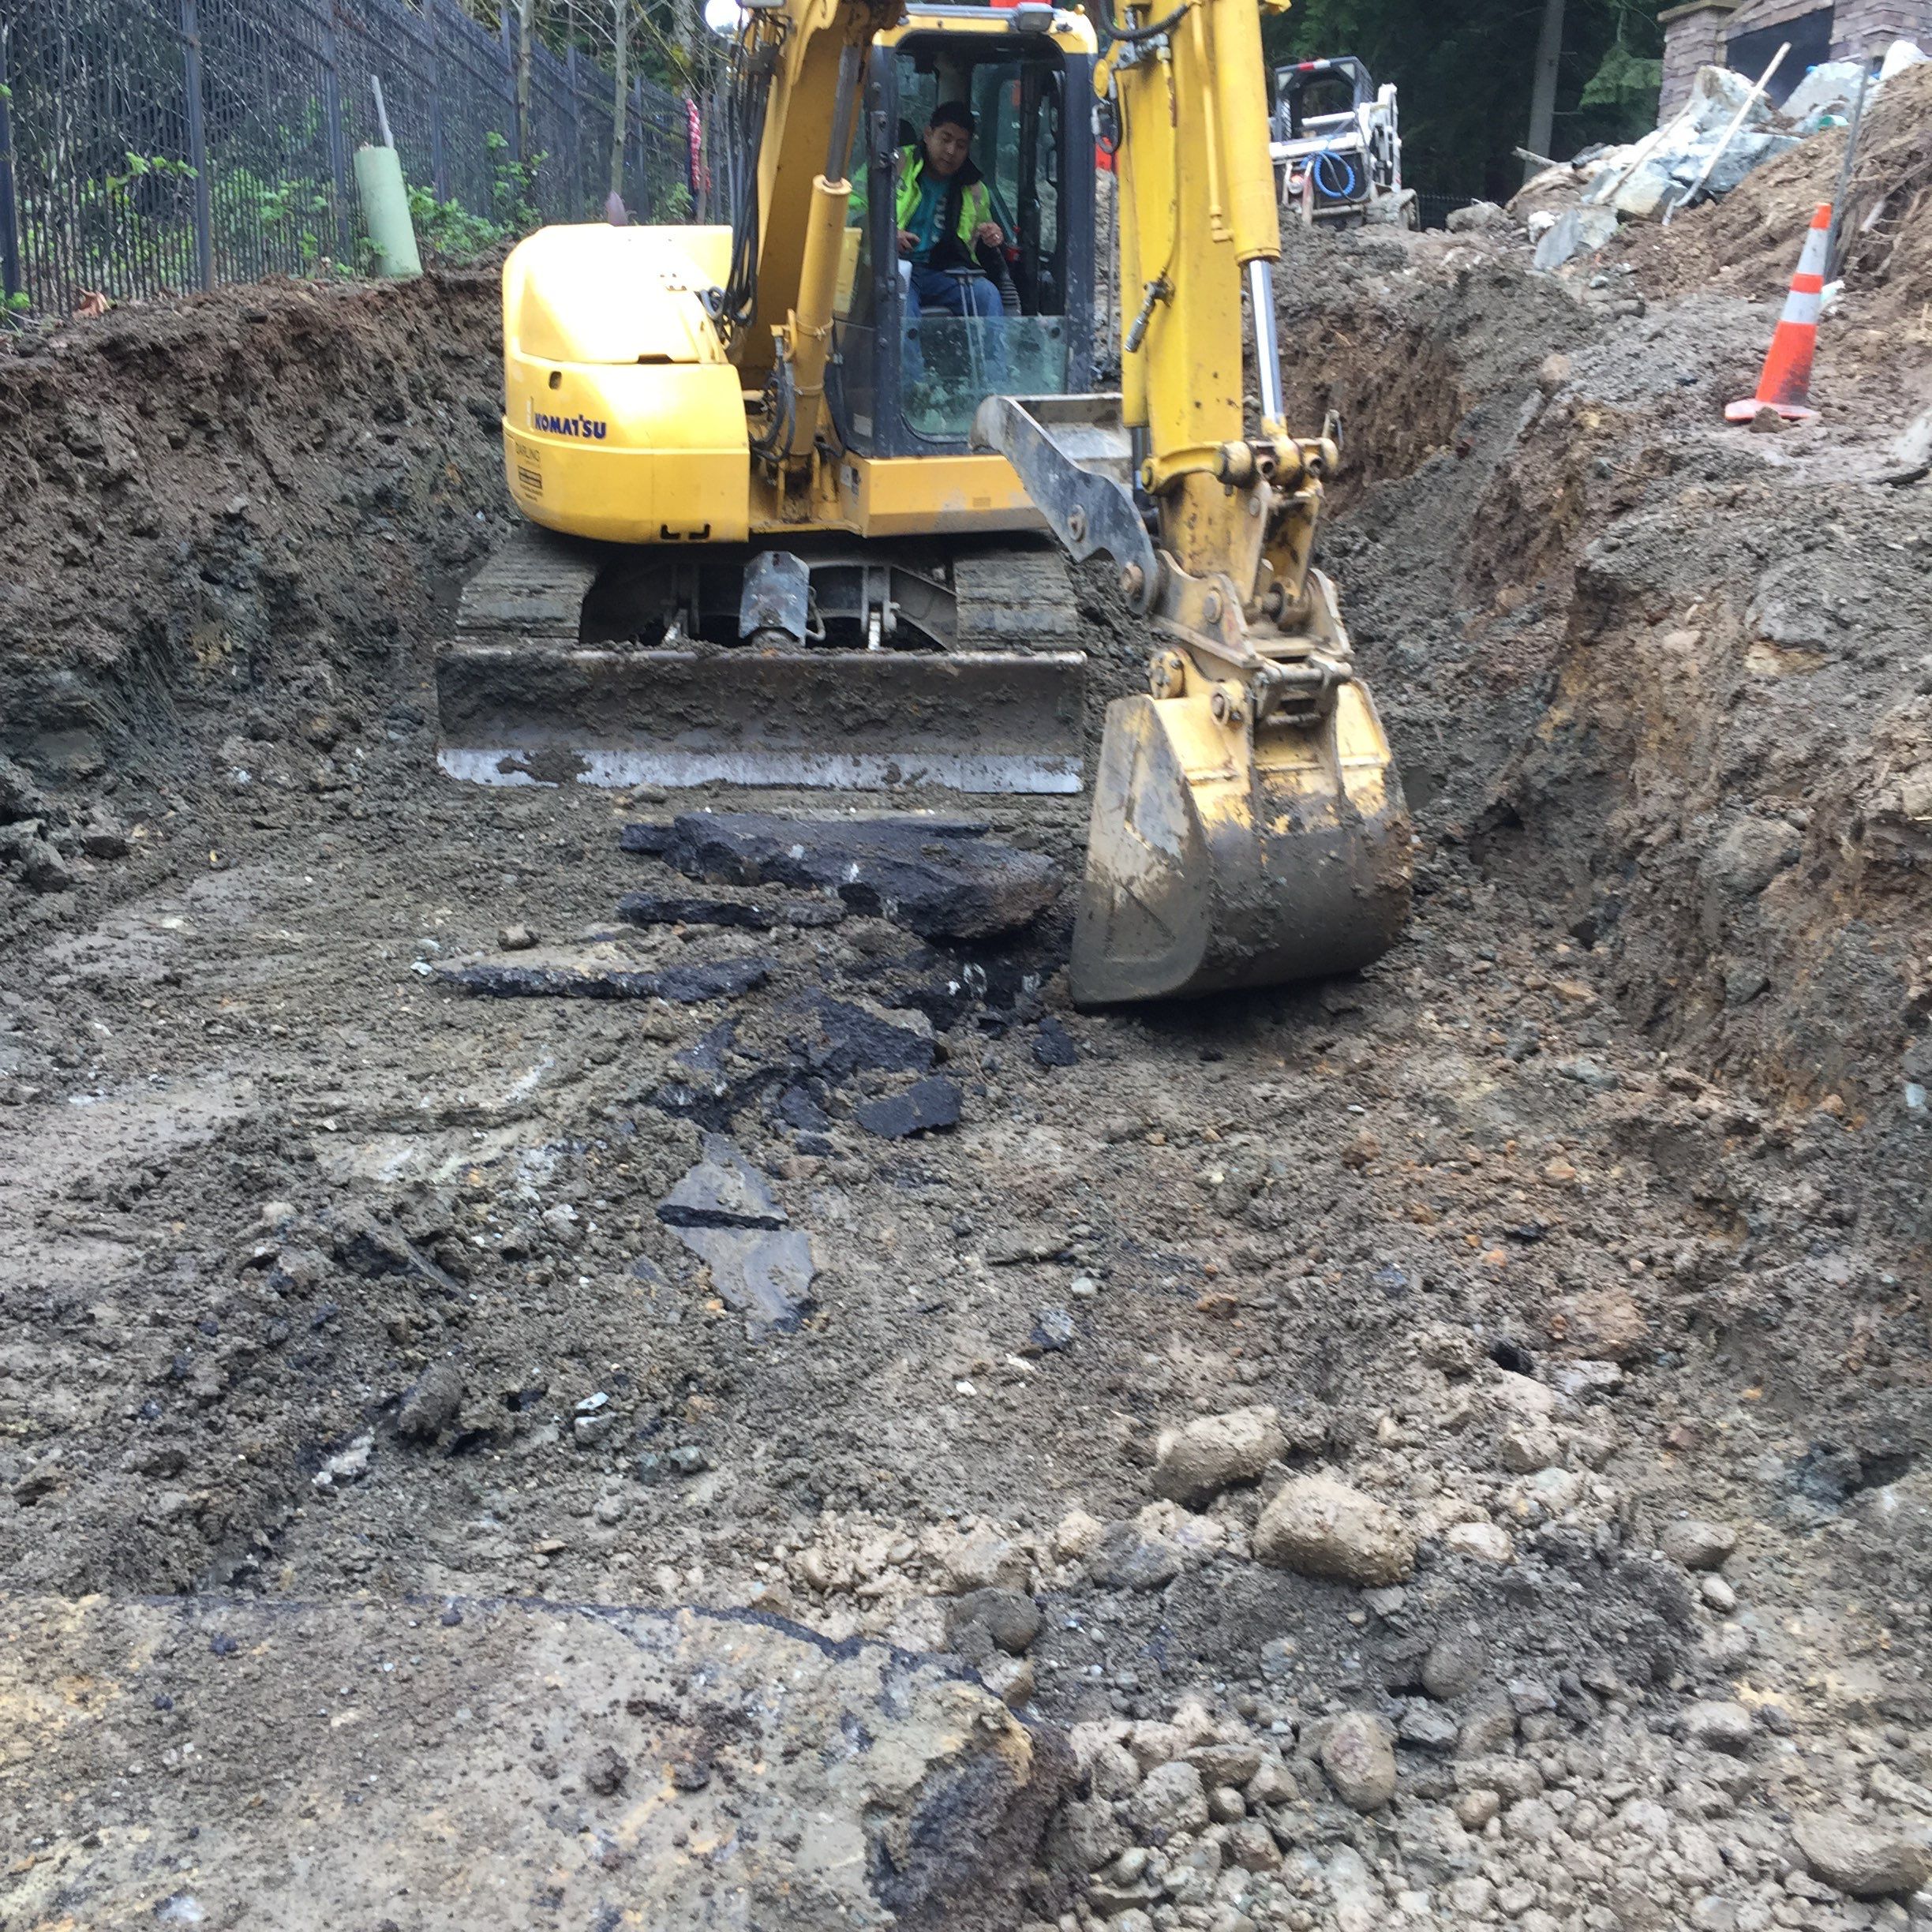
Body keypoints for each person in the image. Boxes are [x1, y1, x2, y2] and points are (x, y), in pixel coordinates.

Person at [892, 102, 1007, 328]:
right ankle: (907, 366)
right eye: (945, 139)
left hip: (943, 272)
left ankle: (995, 366)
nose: (951, 151)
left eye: (961, 145)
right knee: (905, 313)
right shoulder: (894, 165)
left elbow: (979, 236)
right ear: (927, 134)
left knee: (988, 295)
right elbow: (854, 209)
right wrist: (888, 235)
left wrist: (992, 235)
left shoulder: (974, 188)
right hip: (898, 268)